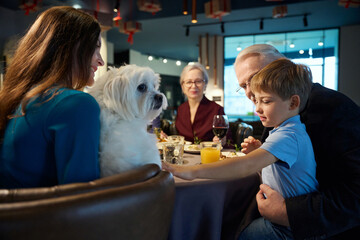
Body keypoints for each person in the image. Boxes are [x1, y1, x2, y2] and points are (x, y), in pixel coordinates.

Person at [164, 58, 318, 239]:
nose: (258, 109)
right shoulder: (286, 130)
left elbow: (244, 166)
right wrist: (260, 152)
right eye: (256, 101)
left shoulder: (287, 136)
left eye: (266, 101)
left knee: (228, 230)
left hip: (287, 230)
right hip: (288, 223)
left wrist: (189, 171)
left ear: (293, 103)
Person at [236, 44, 360, 239]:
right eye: (243, 86)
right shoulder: (277, 107)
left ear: (283, 67)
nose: (250, 92)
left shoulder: (333, 107)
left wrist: (289, 213)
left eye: (254, 78)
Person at [0, 6, 104, 188]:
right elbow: (82, 197)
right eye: (95, 48)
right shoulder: (76, 103)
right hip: (43, 216)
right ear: (71, 48)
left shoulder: (24, 100)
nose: (100, 60)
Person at [175, 62, 231, 143]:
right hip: (184, 155)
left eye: (198, 81)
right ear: (182, 86)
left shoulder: (217, 109)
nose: (193, 86)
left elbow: (229, 141)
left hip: (208, 154)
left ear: (205, 85)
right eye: (189, 82)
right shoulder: (181, 109)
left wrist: (222, 140)